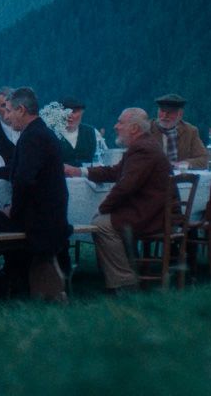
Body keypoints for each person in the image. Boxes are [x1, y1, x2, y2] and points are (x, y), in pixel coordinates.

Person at [0, 87, 70, 302]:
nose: (6, 117)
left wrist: (13, 211)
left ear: (21, 110)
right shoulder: (41, 133)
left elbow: (23, 179)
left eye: (8, 111)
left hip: (37, 218)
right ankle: (7, 278)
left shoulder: (31, 137)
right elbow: (17, 170)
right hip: (50, 214)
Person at [65, 108, 170, 293]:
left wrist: (103, 208)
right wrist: (79, 171)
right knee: (104, 222)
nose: (115, 126)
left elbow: (125, 186)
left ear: (134, 128)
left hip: (150, 214)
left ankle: (124, 282)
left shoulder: (142, 149)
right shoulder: (143, 146)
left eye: (120, 122)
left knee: (101, 224)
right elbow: (115, 172)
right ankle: (124, 275)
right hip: (150, 210)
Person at [151, 93, 210, 169]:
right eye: (162, 111)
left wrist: (184, 164)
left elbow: (203, 159)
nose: (165, 116)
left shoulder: (190, 131)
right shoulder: (147, 129)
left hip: (179, 177)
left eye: (170, 112)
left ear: (180, 114)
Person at [57, 97, 98, 167]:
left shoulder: (92, 132)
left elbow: (100, 158)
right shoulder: (50, 133)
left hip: (87, 176)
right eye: (66, 112)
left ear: (82, 112)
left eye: (74, 112)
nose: (69, 116)